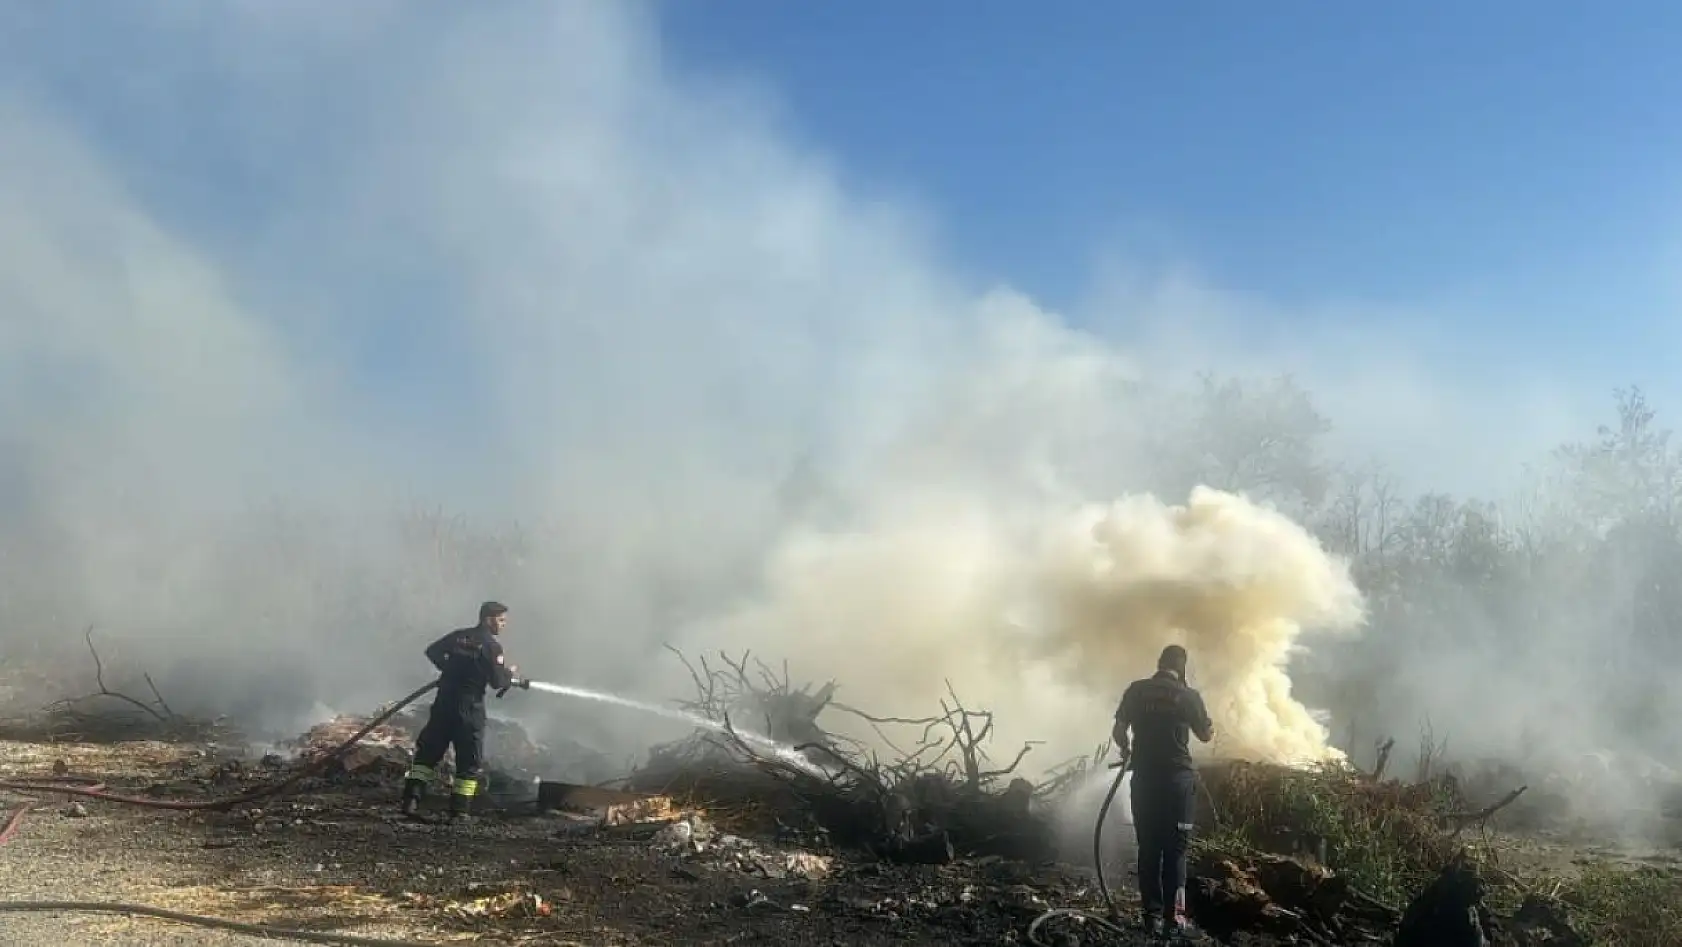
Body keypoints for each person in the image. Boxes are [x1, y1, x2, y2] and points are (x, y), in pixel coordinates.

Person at [1113, 644, 1215, 937]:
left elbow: (1118, 731)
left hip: (1144, 779)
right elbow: (1206, 736)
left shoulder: (1136, 690)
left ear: (1159, 663)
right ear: (1182, 669)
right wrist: (1209, 726)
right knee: (1176, 850)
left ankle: (1151, 917)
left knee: (1148, 847)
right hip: (1177, 783)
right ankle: (1175, 920)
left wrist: (1126, 749)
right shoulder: (1188, 696)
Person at [399, 601, 529, 821]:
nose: (504, 625)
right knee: (469, 760)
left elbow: (432, 651)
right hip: (469, 708)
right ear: (488, 619)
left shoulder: (459, 636)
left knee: (427, 754)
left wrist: (449, 668)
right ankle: (459, 811)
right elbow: (497, 681)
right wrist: (509, 673)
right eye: (501, 620)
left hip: (443, 704)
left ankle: (411, 801)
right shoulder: (492, 646)